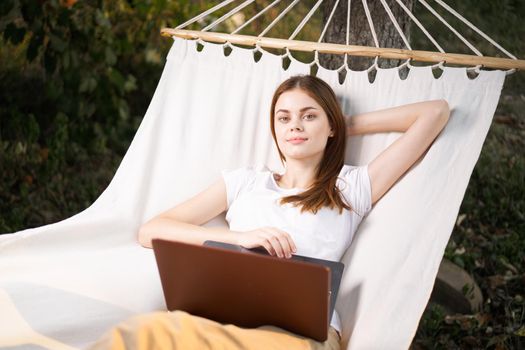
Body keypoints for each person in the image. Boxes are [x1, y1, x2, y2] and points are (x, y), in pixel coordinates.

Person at [89, 74, 450, 350]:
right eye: (284, 118)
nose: (294, 125)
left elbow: (434, 113)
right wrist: (238, 238)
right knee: (143, 333)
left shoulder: (351, 187)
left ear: (331, 127)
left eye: (308, 116)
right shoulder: (246, 182)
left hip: (301, 332)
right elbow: (151, 231)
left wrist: (340, 124)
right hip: (224, 317)